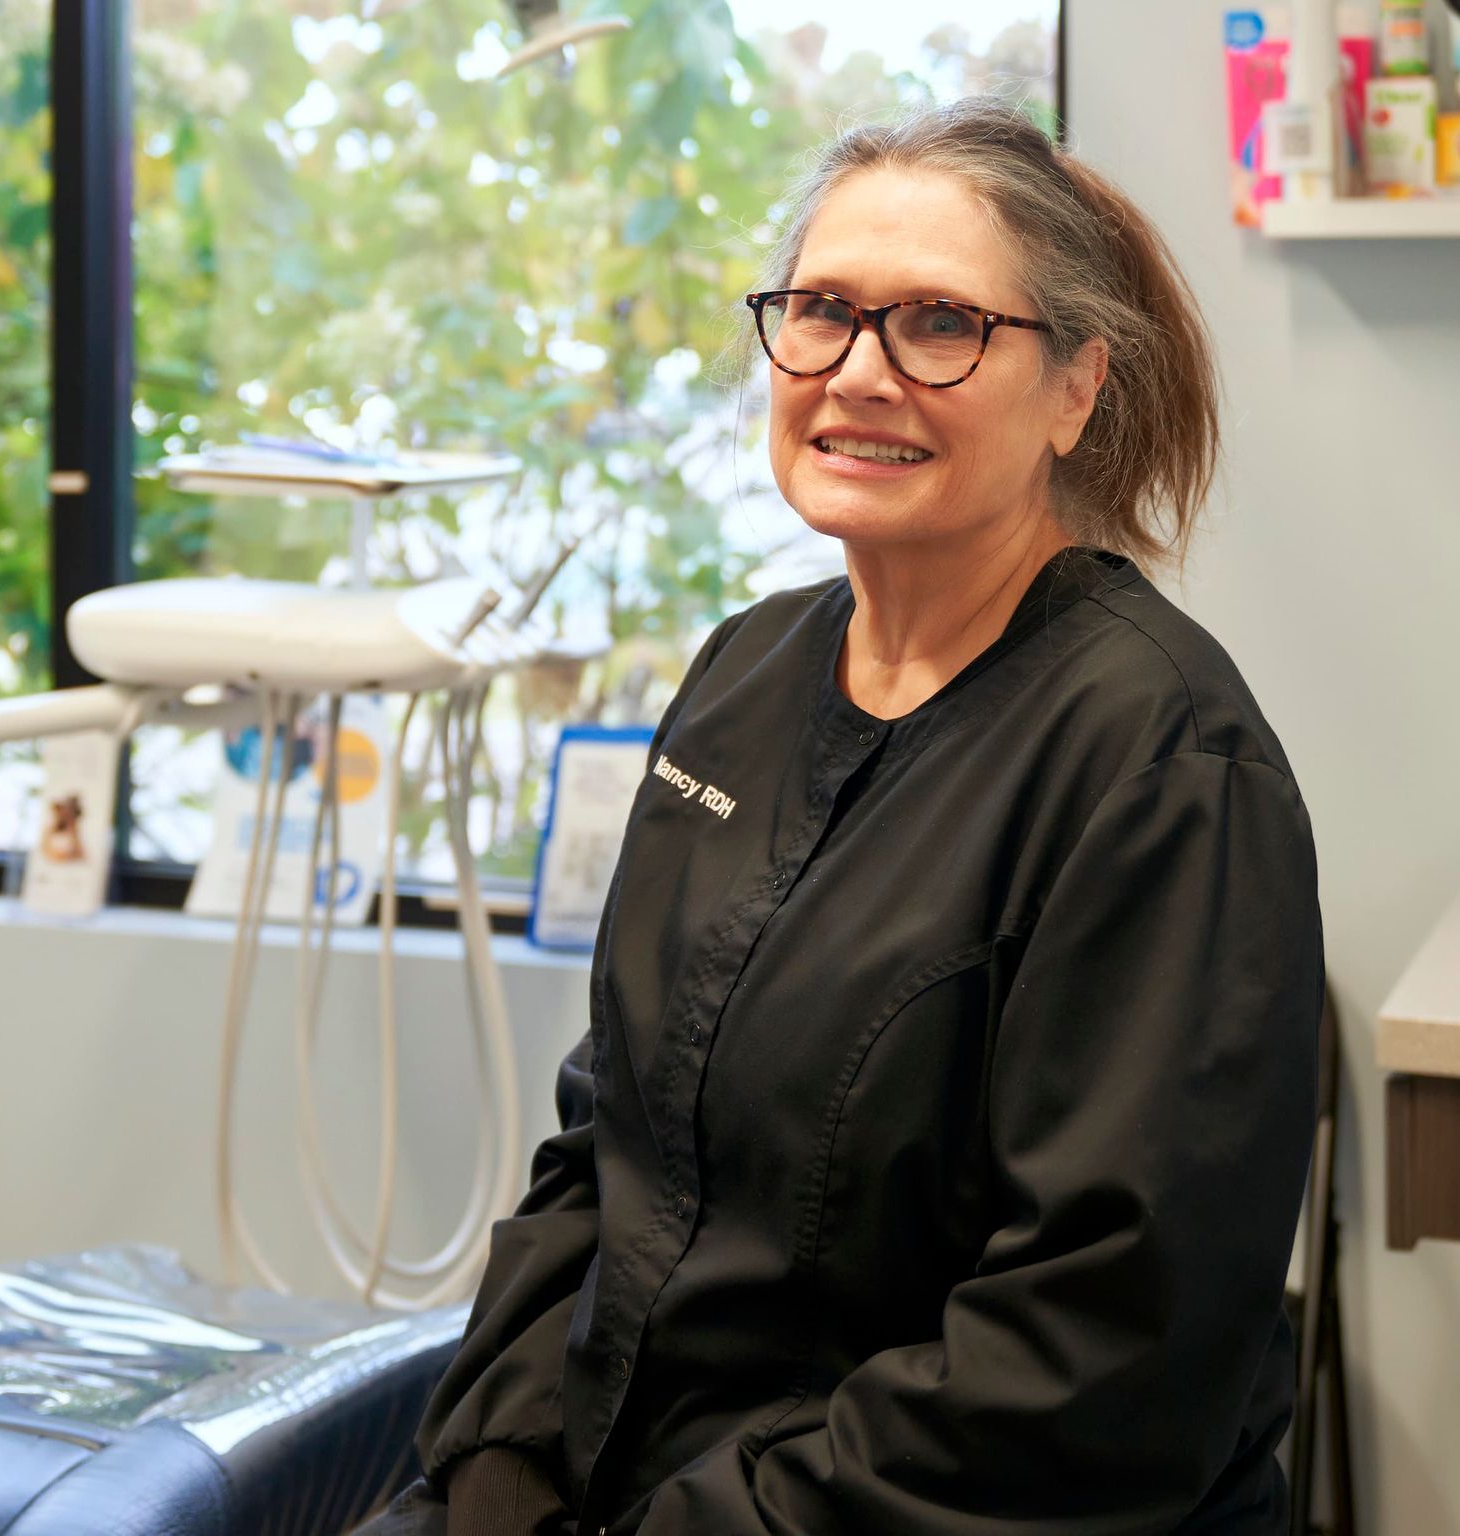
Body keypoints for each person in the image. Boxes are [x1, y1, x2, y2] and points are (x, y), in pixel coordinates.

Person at [359, 95, 1323, 1536]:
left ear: (1076, 389)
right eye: (821, 311)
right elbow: (603, 1143)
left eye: (940, 324)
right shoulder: (744, 674)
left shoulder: (1161, 765)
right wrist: (499, 1464)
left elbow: (1094, 1373)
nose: (860, 372)